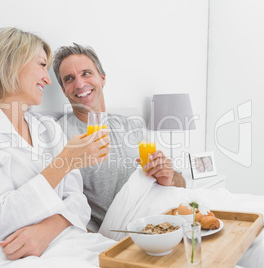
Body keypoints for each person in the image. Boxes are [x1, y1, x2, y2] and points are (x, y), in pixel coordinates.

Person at [0, 28, 111, 261]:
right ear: (11, 62)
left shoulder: (48, 128)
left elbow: (78, 202)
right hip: (10, 247)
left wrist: (48, 229)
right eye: (42, 65)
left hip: (63, 237)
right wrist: (64, 162)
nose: (48, 79)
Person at [53, 43, 186, 231]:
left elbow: (181, 182)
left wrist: (169, 177)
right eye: (69, 79)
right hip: (123, 232)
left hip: (164, 217)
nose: (80, 84)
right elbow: (62, 205)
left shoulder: (131, 124)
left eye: (86, 73)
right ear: (64, 90)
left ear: (102, 78)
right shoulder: (59, 134)